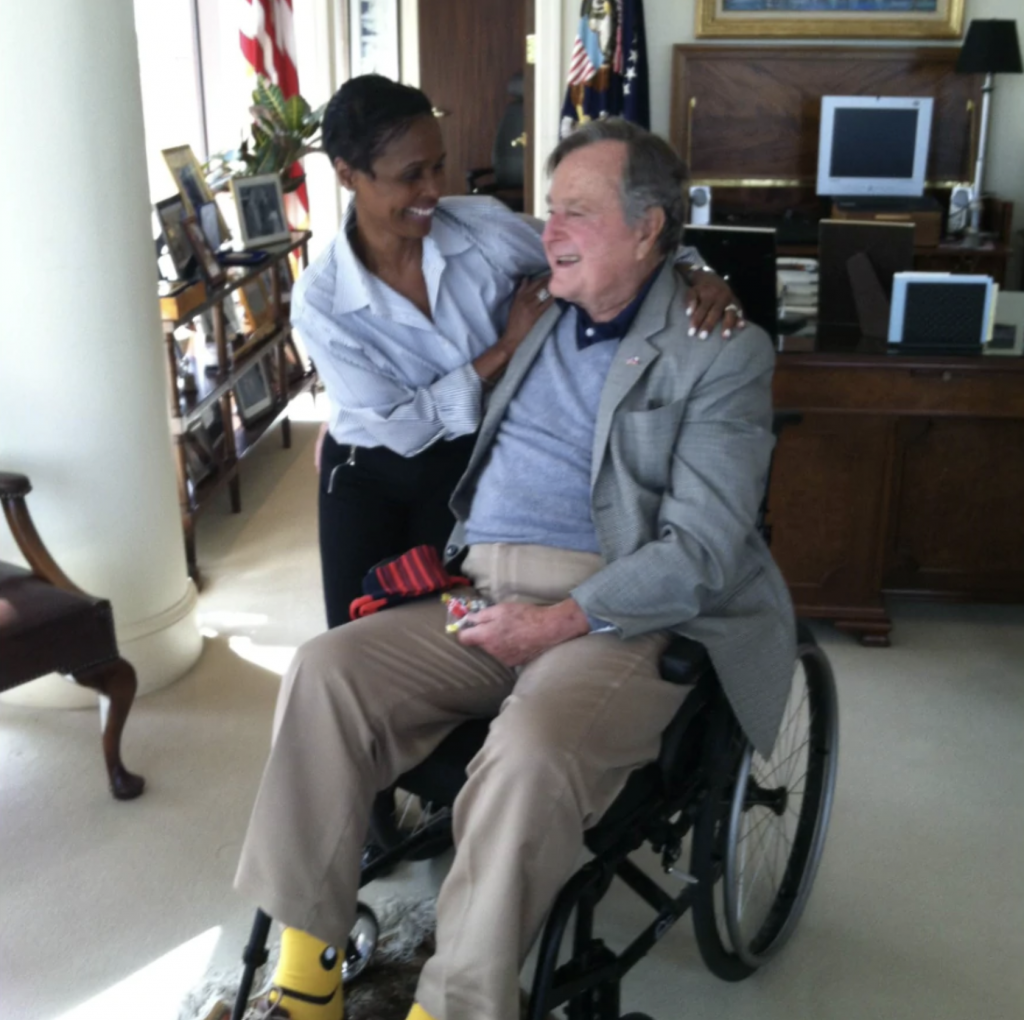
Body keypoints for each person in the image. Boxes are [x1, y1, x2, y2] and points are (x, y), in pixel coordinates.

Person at [235, 117, 794, 1020]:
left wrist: (560, 620)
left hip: (618, 612)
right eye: (548, 212)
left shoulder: (721, 350)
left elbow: (699, 551)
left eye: (577, 212)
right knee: (323, 672)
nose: (549, 232)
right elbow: (422, 396)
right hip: (484, 592)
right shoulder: (539, 306)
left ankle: (453, 1006)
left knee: (528, 755)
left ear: (649, 229)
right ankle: (306, 977)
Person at [291, 74, 744, 628]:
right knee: (355, 626)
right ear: (347, 175)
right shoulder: (321, 300)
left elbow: (610, 243)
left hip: (464, 459)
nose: (434, 189)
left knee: (452, 618)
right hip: (369, 471)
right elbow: (403, 428)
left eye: (438, 165)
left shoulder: (480, 230)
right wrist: (505, 347)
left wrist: (697, 270)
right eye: (412, 175)